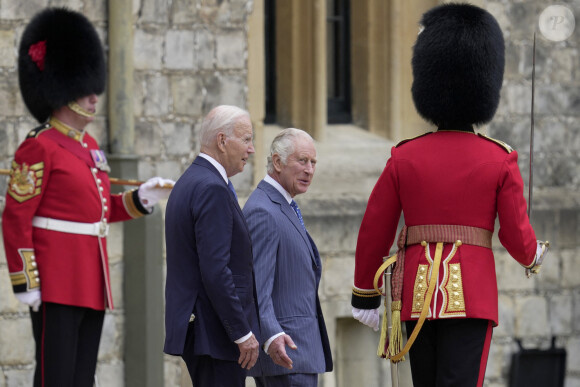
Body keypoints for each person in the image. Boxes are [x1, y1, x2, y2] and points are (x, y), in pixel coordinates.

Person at [350, 4, 549, 387]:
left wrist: (364, 293)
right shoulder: (499, 158)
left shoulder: (404, 156)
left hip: (414, 292)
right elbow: (513, 231)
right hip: (471, 294)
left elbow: (375, 226)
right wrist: (533, 254)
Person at [1, 7, 173, 387]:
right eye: (86, 91)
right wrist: (25, 279)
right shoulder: (39, 147)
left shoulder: (90, 147)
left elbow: (95, 211)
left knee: (81, 379)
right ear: (63, 90)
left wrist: (140, 199)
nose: (95, 99)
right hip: (57, 278)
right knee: (55, 377)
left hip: (91, 279)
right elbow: (16, 216)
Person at [164, 105, 260, 386]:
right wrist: (241, 332)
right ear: (222, 141)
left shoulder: (192, 180)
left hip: (206, 328)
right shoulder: (211, 187)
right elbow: (216, 269)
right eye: (246, 140)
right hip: (215, 332)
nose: (251, 149)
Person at [244, 128, 333, 387]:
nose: (309, 170)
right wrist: (271, 335)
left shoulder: (283, 206)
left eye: (313, 162)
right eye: (302, 161)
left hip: (297, 354)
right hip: (285, 353)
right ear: (277, 162)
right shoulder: (263, 210)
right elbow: (257, 287)